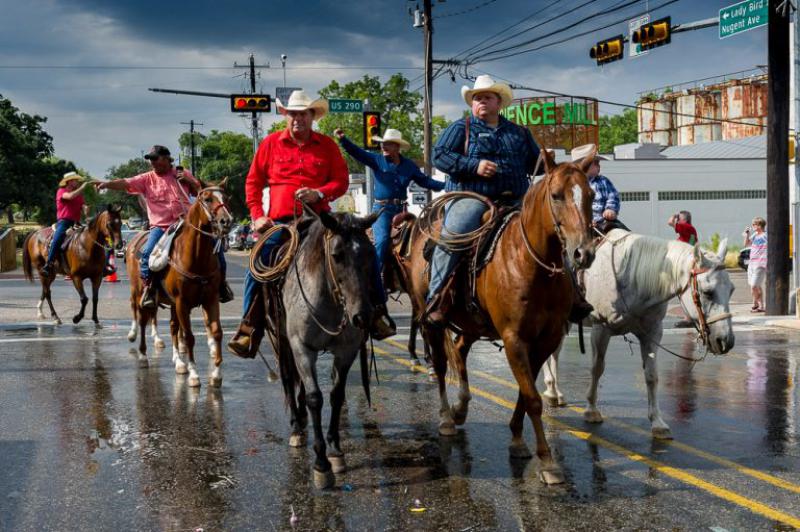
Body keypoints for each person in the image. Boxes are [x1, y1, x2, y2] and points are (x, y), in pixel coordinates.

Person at [227, 90, 395, 358]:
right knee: (257, 265)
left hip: (320, 220)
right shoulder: (270, 143)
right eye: (293, 114)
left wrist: (319, 193)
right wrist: (258, 215)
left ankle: (377, 312)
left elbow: (340, 181)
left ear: (312, 117)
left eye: (302, 114)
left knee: (362, 253)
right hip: (281, 222)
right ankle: (250, 327)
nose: (297, 119)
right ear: (287, 116)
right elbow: (253, 183)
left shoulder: (327, 145)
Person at [425, 75, 593, 325]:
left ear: (498, 102)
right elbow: (438, 156)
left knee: (553, 233)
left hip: (516, 199)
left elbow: (536, 166)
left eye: (486, 97)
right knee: (453, 234)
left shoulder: (518, 132)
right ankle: (437, 296)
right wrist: (474, 165)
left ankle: (573, 296)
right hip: (473, 197)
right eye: (476, 98)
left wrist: (548, 162)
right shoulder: (462, 128)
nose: (481, 101)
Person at [96, 145, 234, 308]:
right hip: (160, 226)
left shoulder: (182, 173)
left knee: (216, 249)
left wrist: (189, 181)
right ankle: (149, 289)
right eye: (150, 160)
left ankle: (222, 286)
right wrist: (106, 184)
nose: (152, 163)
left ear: (167, 159)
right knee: (147, 253)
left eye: (155, 159)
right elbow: (126, 183)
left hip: (186, 223)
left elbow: (204, 193)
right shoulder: (146, 179)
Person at [334, 126, 444, 300]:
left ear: (397, 147)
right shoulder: (377, 160)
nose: (383, 147)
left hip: (402, 210)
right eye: (382, 144)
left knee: (422, 236)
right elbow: (357, 153)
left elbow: (425, 181)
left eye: (388, 144)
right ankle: (373, 282)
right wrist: (343, 139)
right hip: (382, 210)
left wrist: (447, 186)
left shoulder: (409, 166)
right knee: (383, 240)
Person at [42, 172, 92, 277]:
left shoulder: (79, 195)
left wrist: (85, 209)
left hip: (76, 222)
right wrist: (83, 187)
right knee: (58, 238)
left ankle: (98, 264)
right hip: (64, 222)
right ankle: (49, 263)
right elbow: (69, 197)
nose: (78, 182)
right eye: (76, 180)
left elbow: (82, 206)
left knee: (93, 237)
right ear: (69, 181)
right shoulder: (62, 191)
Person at [571, 145, 623, 233]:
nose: (599, 166)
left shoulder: (603, 181)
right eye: (596, 163)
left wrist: (610, 209)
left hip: (605, 221)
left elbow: (613, 195)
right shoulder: (573, 186)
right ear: (584, 165)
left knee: (623, 233)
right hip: (583, 226)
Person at [744, 217, 767, 313]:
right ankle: (760, 305)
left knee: (754, 285)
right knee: (755, 286)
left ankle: (756, 303)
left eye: (754, 224)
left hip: (760, 263)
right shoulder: (755, 235)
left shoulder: (766, 235)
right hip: (752, 263)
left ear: (759, 225)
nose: (753, 226)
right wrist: (747, 234)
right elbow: (746, 244)